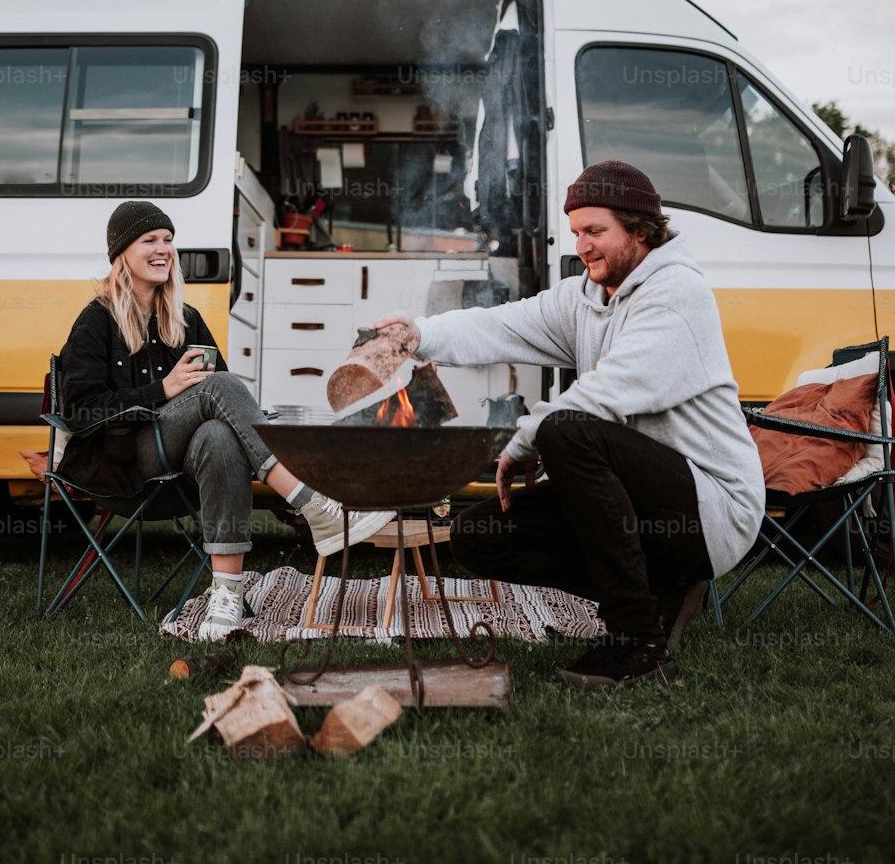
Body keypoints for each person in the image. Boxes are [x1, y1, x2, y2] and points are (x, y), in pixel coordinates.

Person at [375, 160, 764, 689]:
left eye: (596, 231)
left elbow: (607, 393)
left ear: (640, 229)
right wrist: (419, 333)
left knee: (566, 429)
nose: (582, 245)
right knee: (476, 535)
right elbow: (503, 324)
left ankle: (637, 645)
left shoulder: (677, 295)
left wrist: (522, 442)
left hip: (710, 507)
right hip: (639, 502)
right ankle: (651, 593)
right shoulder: (584, 296)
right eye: (577, 231)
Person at [58, 200, 393, 641]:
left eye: (168, 241)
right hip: (129, 462)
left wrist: (193, 393)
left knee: (219, 434)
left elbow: (224, 402)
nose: (163, 250)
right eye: (150, 240)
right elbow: (79, 412)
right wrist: (162, 390)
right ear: (122, 251)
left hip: (184, 462)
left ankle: (226, 596)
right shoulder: (97, 321)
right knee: (221, 385)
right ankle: (311, 503)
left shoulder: (185, 319)